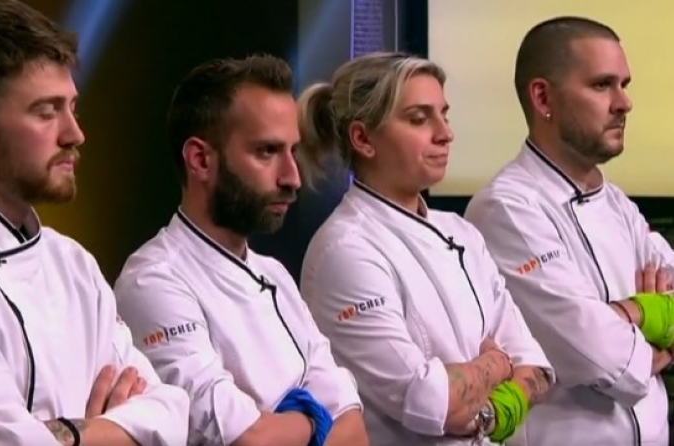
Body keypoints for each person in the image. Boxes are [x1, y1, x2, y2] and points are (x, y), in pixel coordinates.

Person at [0, 1, 190, 445]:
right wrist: (111, 431)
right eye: (47, 112)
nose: (75, 134)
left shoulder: (74, 263)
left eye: (73, 108)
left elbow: (170, 410)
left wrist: (69, 435)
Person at [295, 51, 554, 446]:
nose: (445, 133)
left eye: (444, 115)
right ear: (363, 139)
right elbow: (431, 401)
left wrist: (489, 414)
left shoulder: (462, 233)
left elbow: (537, 367)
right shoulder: (344, 250)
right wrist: (498, 363)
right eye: (419, 119)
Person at [113, 54, 368, 446]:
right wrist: (317, 417)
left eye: (293, 151)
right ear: (201, 160)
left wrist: (290, 423)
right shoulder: (153, 281)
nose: (292, 178)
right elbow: (247, 439)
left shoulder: (275, 275)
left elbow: (354, 433)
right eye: (267, 152)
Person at [464, 16, 674, 446]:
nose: (624, 103)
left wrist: (628, 313)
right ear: (543, 97)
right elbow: (600, 357)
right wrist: (654, 321)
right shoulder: (506, 209)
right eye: (602, 85)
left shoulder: (617, 203)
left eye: (624, 84)